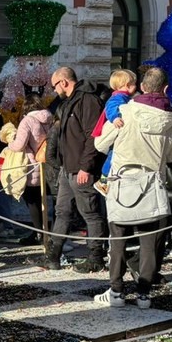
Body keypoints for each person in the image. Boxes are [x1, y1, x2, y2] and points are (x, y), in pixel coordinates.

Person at [93, 66, 172, 309]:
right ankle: (144, 294)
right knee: (149, 243)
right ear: (165, 89)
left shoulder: (124, 110)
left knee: (118, 239)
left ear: (142, 87)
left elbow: (100, 143)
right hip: (153, 183)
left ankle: (116, 291)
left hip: (122, 182)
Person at [39, 67, 107, 272]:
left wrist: (86, 167)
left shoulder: (87, 100)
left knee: (90, 213)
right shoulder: (70, 101)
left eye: (54, 85)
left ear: (64, 82)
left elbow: (93, 136)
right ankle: (53, 256)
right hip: (68, 168)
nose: (54, 90)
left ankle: (95, 257)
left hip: (81, 168)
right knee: (62, 212)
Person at [7, 93, 54, 237]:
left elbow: (19, 145)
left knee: (32, 200)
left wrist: (9, 143)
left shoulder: (27, 121)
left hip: (32, 165)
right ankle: (45, 231)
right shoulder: (50, 117)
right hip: (48, 163)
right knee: (45, 200)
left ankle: (40, 233)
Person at [94, 68, 138, 194]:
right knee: (113, 155)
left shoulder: (123, 97)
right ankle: (104, 180)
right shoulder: (118, 97)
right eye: (134, 84)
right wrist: (115, 118)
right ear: (126, 85)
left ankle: (105, 180)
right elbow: (111, 108)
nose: (136, 86)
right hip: (116, 131)